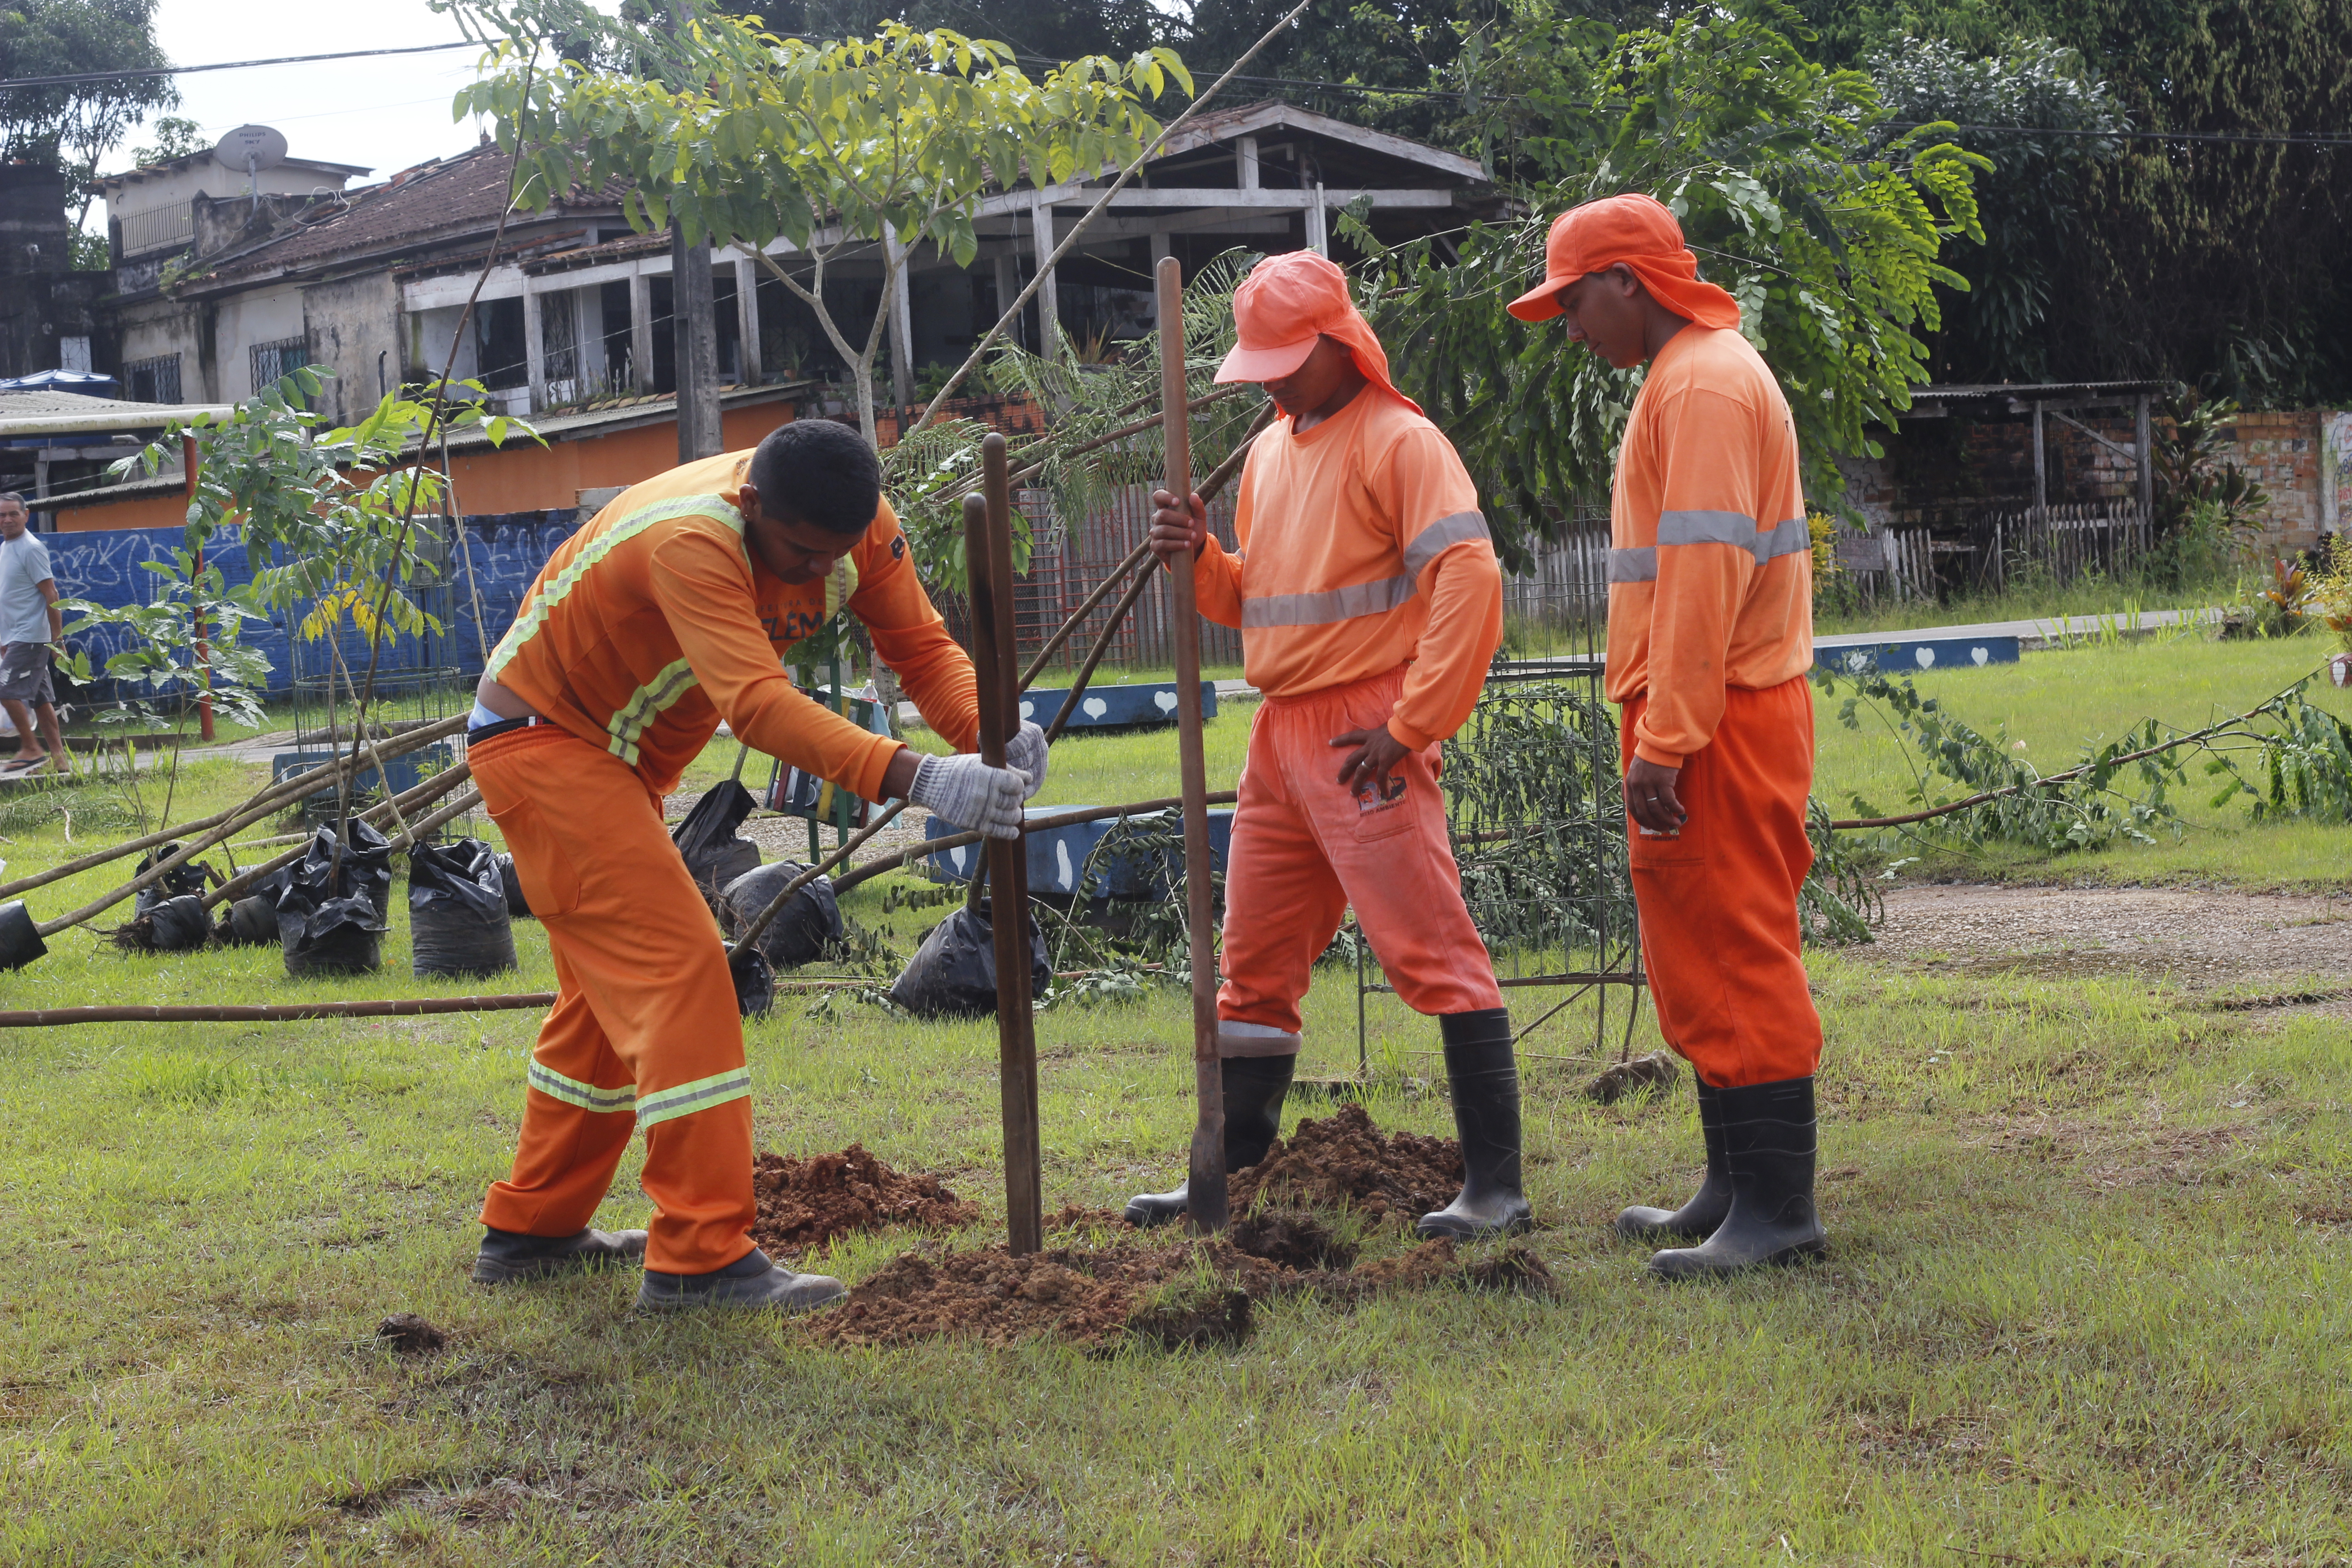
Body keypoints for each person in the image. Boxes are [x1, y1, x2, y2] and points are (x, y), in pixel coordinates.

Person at [467, 420, 1047, 1312]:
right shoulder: (693, 540)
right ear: (752, 508)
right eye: (799, 554)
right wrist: (924, 777)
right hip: (544, 746)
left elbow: (923, 651)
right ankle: (699, 1258)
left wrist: (990, 732)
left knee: (601, 1007)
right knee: (684, 974)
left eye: (837, 556)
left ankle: (533, 1231)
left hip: (613, 759)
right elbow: (759, 707)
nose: (819, 577)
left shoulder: (857, 531)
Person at [1131, 249, 1527, 1240]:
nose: (1266, 376)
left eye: (1282, 357)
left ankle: (1496, 1189)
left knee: (1436, 952)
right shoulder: (1272, 452)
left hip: (1364, 734)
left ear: (1338, 342)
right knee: (1253, 963)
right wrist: (1202, 558)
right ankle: (1227, 1178)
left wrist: (1410, 726)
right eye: (1256, 359)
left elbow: (1469, 583)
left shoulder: (1401, 441)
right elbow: (1256, 600)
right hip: (1280, 737)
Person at [1507, 193, 1825, 1279]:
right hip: (1707, 710)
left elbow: (1701, 575)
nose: (1567, 324)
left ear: (1625, 282)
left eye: (1572, 301)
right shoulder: (1688, 376)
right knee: (1699, 945)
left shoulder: (1698, 383)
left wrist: (1669, 734)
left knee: (1736, 942)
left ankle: (1778, 1212)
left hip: (1716, 713)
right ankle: (1734, 1186)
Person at [0, 493, 69, 775]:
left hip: (31, 637)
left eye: (13, 514)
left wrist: (57, 640)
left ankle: (31, 748)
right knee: (40, 699)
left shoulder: (31, 548)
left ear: (26, 515)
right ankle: (58, 759)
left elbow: (51, 594)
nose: (6, 520)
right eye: (2, 515)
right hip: (16, 637)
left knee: (5, 689)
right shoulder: (6, 548)